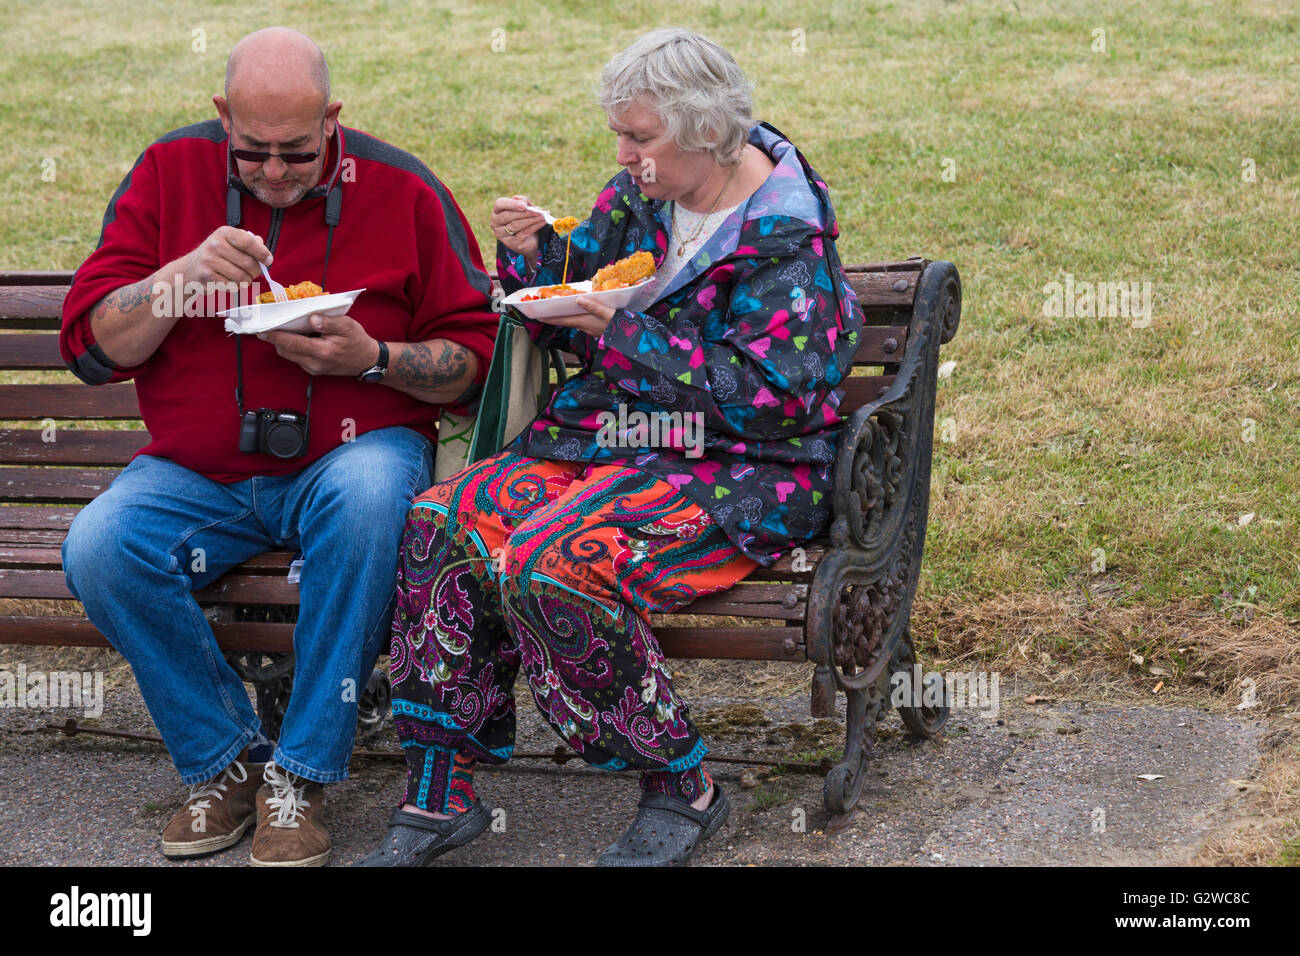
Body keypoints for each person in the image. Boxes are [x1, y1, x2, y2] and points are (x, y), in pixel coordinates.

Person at [358, 27, 864, 867]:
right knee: (440, 522)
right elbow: (590, 273)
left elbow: (778, 401)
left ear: (706, 132)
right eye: (620, 135)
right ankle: (441, 783)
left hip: (746, 468)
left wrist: (624, 337)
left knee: (556, 561)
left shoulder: (787, 240)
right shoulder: (647, 191)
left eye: (640, 137)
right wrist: (537, 254)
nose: (625, 154)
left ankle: (681, 782)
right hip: (609, 439)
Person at [58, 27, 498, 867]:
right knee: (102, 546)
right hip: (199, 468)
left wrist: (371, 359)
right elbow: (90, 351)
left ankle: (302, 773)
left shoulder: (403, 187)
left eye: (297, 152)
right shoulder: (165, 173)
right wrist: (176, 277)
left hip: (352, 453)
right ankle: (227, 761)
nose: (272, 172)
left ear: (332, 119)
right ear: (221, 116)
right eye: (251, 151)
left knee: (372, 500)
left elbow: (475, 363)